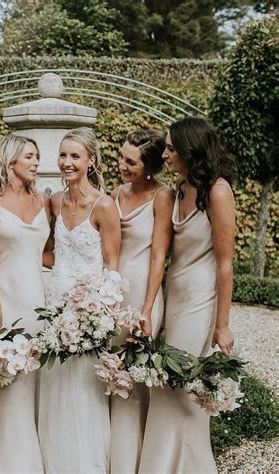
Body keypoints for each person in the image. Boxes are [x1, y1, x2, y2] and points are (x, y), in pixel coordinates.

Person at [139, 117, 236, 473]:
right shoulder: (180, 189)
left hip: (201, 298)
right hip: (175, 294)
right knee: (167, 382)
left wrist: (222, 325)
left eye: (170, 148)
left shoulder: (218, 191)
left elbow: (225, 264)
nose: (164, 154)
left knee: (184, 383)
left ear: (190, 150)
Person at [38, 127, 121, 473]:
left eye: (75, 156)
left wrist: (97, 307)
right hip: (55, 304)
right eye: (63, 155)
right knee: (55, 381)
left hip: (89, 309)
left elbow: (112, 265)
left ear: (90, 160)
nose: (67, 162)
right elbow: (46, 253)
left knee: (84, 388)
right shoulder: (54, 201)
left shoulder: (104, 206)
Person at [0, 134, 50, 473]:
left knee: (33, 379)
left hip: (36, 297)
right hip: (2, 296)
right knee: (7, 381)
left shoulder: (44, 201)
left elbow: (47, 253)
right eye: (30, 156)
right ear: (11, 160)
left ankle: (34, 460)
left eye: (36, 157)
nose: (36, 163)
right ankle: (4, 463)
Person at [110, 129, 174, 473]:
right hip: (113, 292)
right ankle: (115, 459)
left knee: (135, 375)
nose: (122, 165)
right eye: (121, 157)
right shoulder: (117, 192)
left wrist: (147, 309)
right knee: (112, 374)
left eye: (130, 162)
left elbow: (158, 256)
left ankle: (136, 463)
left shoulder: (162, 197)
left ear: (149, 167)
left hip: (143, 293)